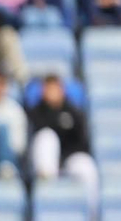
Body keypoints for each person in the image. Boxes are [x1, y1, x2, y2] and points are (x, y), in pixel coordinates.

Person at [26, 73, 99, 210]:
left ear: (62, 90)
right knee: (47, 137)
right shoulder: (36, 112)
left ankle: (91, 217)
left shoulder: (74, 112)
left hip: (69, 158)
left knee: (87, 167)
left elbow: (82, 143)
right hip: (45, 163)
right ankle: (48, 201)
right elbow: (35, 136)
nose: (52, 93)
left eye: (55, 88)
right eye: (49, 89)